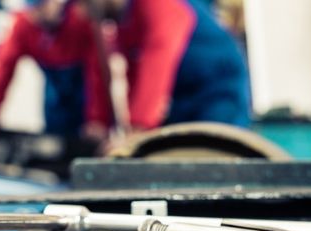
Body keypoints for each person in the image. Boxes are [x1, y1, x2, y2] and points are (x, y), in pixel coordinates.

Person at [84, 0, 252, 135]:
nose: (84, 9)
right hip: (183, 96)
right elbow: (135, 75)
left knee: (214, 151)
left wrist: (138, 128)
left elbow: (158, 55)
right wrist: (101, 122)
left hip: (219, 89)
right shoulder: (124, 21)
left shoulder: (157, 4)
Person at [0, 0, 99, 139]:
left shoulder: (80, 19)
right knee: (55, 139)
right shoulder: (22, 25)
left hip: (84, 89)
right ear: (32, 10)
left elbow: (97, 73)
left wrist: (97, 119)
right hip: (54, 92)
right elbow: (4, 67)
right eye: (46, 3)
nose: (57, 5)